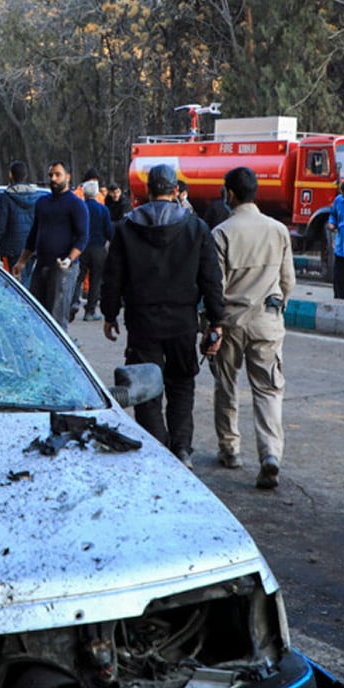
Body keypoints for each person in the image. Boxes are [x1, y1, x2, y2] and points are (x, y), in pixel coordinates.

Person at [101, 163, 227, 465]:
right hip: (183, 321)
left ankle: (157, 448)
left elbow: (112, 276)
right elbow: (211, 278)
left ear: (147, 192)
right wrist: (216, 321)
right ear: (176, 191)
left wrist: (109, 314)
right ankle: (182, 448)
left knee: (145, 388)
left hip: (142, 322)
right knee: (182, 383)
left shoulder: (127, 228)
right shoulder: (196, 228)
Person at [211, 167, 295, 490]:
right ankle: (270, 454)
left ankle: (230, 449)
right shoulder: (278, 230)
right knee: (269, 389)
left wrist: (212, 326)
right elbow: (288, 281)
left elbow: (215, 288)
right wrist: (277, 308)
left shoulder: (221, 233)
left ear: (230, 193)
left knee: (226, 384)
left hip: (231, 322)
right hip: (267, 321)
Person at [18, 162, 89, 325]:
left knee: (56, 318)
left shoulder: (76, 204)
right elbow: (34, 234)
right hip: (41, 264)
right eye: (51, 175)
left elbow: (83, 237)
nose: (53, 178)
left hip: (63, 268)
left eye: (58, 174)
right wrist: (22, 261)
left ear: (68, 177)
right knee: (36, 314)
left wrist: (69, 259)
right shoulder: (42, 203)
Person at [0, 162, 45, 274]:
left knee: (13, 282)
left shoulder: (6, 198)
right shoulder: (36, 197)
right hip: (31, 247)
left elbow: (0, 226)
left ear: (10, 175)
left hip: (11, 247)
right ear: (25, 175)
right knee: (27, 278)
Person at [79, 183, 114, 323]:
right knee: (96, 280)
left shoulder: (80, 207)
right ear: (96, 193)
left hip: (81, 248)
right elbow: (109, 231)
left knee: (78, 278)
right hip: (98, 248)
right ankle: (90, 310)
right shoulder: (103, 209)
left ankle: (72, 303)